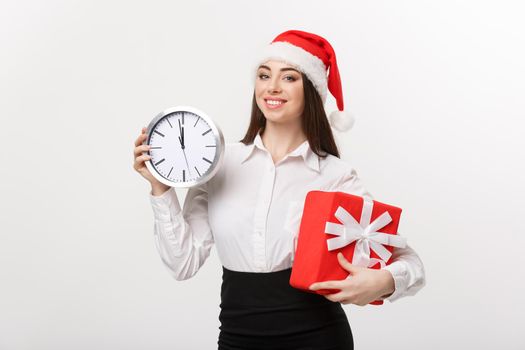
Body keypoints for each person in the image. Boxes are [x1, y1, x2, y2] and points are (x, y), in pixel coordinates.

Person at [133, 30, 426, 350]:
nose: (272, 87)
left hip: (319, 339)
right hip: (238, 340)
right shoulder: (219, 164)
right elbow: (182, 263)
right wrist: (160, 189)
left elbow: (409, 263)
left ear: (311, 91)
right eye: (263, 75)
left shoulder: (335, 176)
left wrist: (383, 281)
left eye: (289, 77)